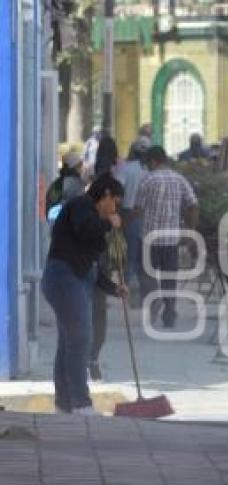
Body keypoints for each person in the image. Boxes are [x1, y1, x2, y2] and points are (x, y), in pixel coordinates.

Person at [41, 175, 128, 415]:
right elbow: (85, 231)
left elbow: (93, 265)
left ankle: (65, 403)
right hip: (63, 279)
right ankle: (81, 401)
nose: (115, 209)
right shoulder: (80, 205)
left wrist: (113, 288)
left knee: (69, 342)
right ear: (106, 194)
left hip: (76, 280)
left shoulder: (93, 217)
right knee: (80, 339)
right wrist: (110, 223)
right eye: (115, 203)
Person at [135, 145, 199, 328]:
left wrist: (127, 220)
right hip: (171, 239)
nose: (147, 166)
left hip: (149, 238)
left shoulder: (147, 181)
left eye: (148, 163)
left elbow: (138, 208)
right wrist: (191, 229)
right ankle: (169, 313)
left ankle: (154, 297)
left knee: (145, 272)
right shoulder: (180, 180)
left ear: (153, 161)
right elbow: (193, 205)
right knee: (170, 277)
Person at [88, 136, 123, 382]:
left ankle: (90, 358)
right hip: (97, 255)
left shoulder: (88, 183)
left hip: (95, 256)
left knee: (92, 310)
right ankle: (91, 359)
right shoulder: (111, 185)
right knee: (96, 311)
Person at [116, 137, 150, 302]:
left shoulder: (125, 169)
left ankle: (128, 295)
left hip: (130, 216)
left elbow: (118, 192)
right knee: (146, 259)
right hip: (149, 217)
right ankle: (146, 294)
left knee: (131, 256)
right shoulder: (152, 171)